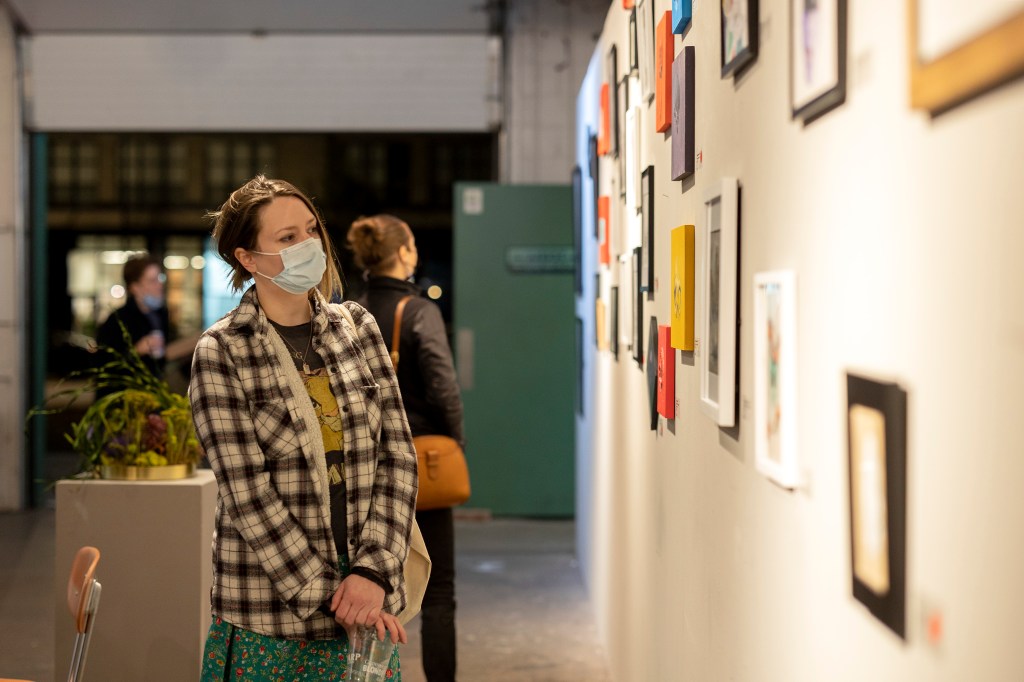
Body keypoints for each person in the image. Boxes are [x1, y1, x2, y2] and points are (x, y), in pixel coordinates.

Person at [189, 176, 418, 681]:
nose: (309, 244)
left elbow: (398, 456)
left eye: (311, 230)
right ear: (248, 258)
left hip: (367, 597)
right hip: (270, 615)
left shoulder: (357, 328)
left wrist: (372, 574)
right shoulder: (222, 351)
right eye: (288, 237)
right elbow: (247, 494)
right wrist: (336, 597)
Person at [347, 214, 464, 682]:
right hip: (421, 461)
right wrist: (455, 441)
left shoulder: (347, 313)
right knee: (438, 590)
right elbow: (443, 387)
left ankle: (364, 675)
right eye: (412, 244)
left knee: (366, 585)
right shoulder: (418, 312)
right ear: (402, 252)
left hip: (361, 464)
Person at [95, 254, 170, 378]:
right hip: (127, 388)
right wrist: (136, 351)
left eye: (160, 278)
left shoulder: (161, 314)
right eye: (152, 281)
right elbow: (102, 364)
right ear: (135, 287)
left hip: (154, 386)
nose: (159, 285)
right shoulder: (117, 320)